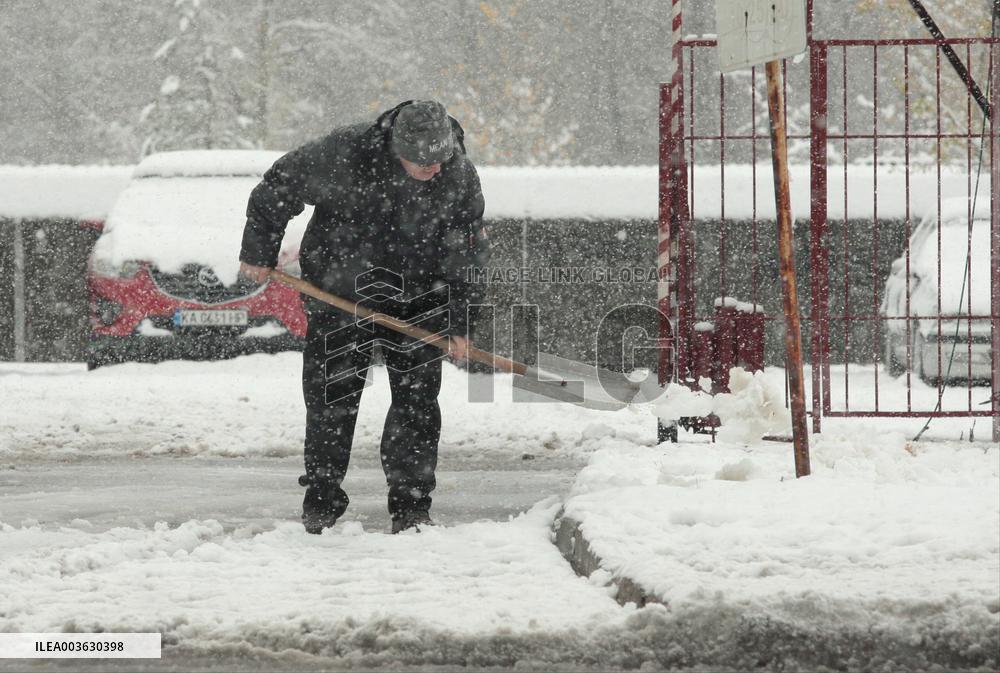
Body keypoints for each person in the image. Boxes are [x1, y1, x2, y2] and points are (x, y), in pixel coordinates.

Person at [238, 100, 489, 534]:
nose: (432, 168)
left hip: (420, 296)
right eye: (422, 160)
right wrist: (257, 254)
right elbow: (278, 187)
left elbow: (468, 253)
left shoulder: (457, 175)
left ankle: (411, 506)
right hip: (339, 293)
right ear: (397, 147)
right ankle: (322, 498)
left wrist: (462, 323)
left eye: (439, 159)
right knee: (331, 399)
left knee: (416, 404)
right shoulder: (345, 154)